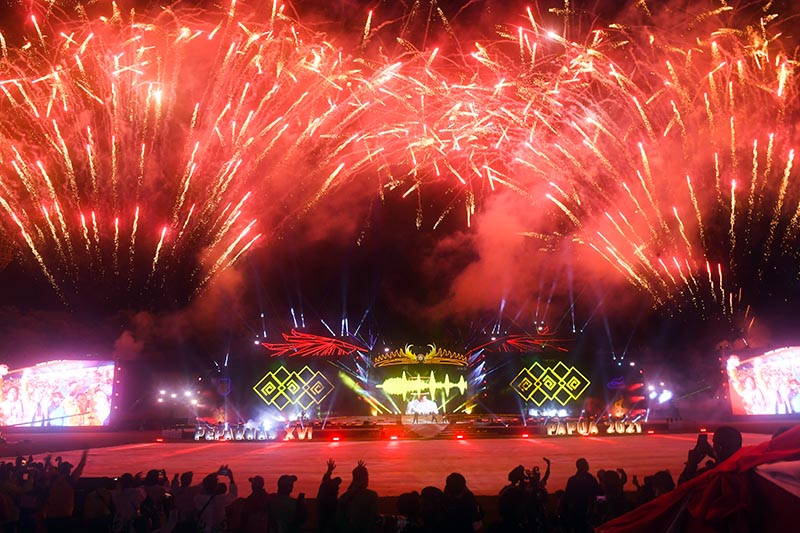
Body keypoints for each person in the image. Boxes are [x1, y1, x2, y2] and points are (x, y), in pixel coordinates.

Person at [678, 426, 743, 484]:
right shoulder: (746, 473)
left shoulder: (707, 476)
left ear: (718, 448)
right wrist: (716, 457)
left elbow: (680, 491)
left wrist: (691, 464)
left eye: (715, 444)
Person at [336, 460, 378, 533]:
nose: (368, 479)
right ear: (364, 479)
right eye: (367, 476)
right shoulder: (371, 496)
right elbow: (373, 518)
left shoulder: (344, 497)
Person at [560, 458, 600, 533]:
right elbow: (567, 497)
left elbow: (598, 494)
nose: (588, 466)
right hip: (581, 512)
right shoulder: (588, 479)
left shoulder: (574, 480)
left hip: (584, 511)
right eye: (586, 464)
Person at [193, 466, 238, 533]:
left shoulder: (198, 499)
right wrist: (231, 478)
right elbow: (233, 495)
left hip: (203, 530)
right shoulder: (221, 499)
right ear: (216, 487)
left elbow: (199, 486)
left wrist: (216, 473)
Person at [316, 459, 341, 532]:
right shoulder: (328, 488)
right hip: (327, 517)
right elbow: (325, 480)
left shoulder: (328, 489)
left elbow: (325, 480)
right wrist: (329, 470)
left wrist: (329, 470)